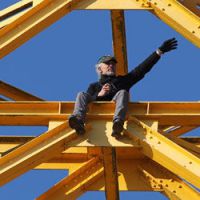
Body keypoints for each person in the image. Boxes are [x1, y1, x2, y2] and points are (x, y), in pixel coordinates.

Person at [68, 38, 178, 138]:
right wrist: (99, 94)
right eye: (107, 63)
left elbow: (141, 69)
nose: (111, 65)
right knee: (81, 94)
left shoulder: (123, 81)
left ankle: (118, 123)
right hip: (97, 105)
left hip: (117, 105)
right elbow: (88, 100)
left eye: (113, 64)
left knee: (123, 92)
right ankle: (78, 120)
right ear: (100, 69)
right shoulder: (94, 86)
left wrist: (158, 52)